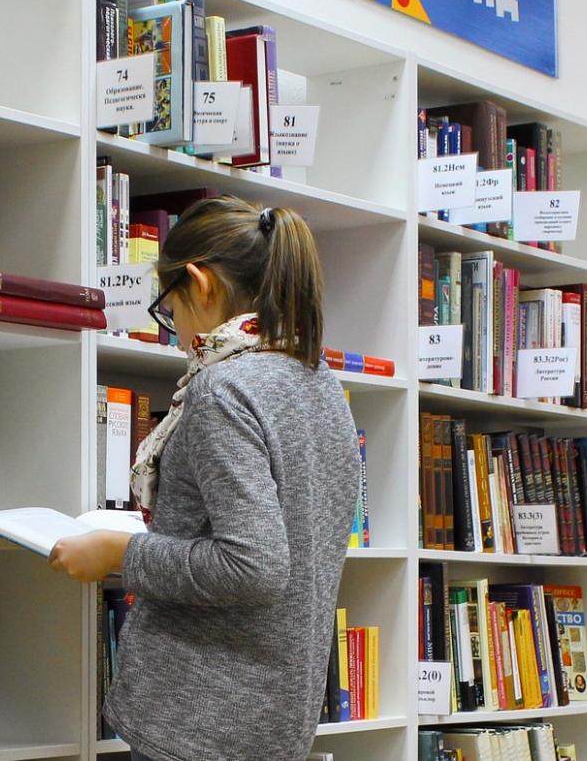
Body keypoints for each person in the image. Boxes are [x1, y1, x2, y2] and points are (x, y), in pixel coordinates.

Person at [49, 196, 359, 761]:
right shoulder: (322, 384)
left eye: (168, 307)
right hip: (276, 712)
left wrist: (119, 552)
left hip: (201, 720)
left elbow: (254, 567)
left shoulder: (225, 389)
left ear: (200, 283)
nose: (173, 329)